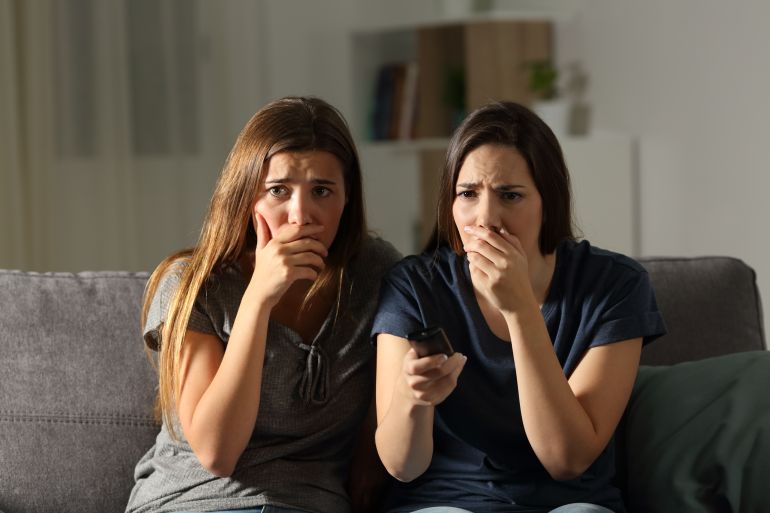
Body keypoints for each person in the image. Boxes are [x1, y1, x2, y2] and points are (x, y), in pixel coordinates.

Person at [372, 101, 666, 513]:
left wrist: (521, 310)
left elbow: (567, 460)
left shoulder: (616, 285)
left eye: (510, 195)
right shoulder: (413, 287)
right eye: (468, 194)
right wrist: (412, 397)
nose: (486, 218)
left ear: (549, 202)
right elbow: (401, 467)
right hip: (446, 502)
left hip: (570, 503)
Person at [126, 96, 400, 513]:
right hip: (196, 499)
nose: (300, 215)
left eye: (322, 191)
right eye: (278, 191)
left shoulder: (377, 274)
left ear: (347, 199)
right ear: (247, 196)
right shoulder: (192, 284)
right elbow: (217, 453)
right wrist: (258, 298)